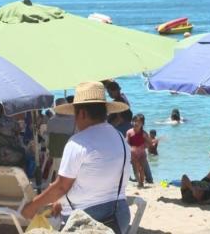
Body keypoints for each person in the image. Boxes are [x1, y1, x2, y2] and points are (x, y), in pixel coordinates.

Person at [21, 82, 132, 234]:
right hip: (120, 216)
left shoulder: (78, 142)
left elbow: (61, 186)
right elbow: (95, 179)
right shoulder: (119, 137)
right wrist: (61, 202)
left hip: (88, 220)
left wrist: (31, 207)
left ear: (82, 114)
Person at [126, 114, 150, 188]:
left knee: (142, 168)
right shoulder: (129, 132)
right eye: (135, 121)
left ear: (142, 124)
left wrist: (144, 146)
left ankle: (142, 182)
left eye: (139, 122)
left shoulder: (144, 133)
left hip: (142, 154)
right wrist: (130, 148)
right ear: (132, 122)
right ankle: (139, 182)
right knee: (135, 168)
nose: (136, 123)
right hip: (133, 154)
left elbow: (149, 143)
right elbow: (126, 143)